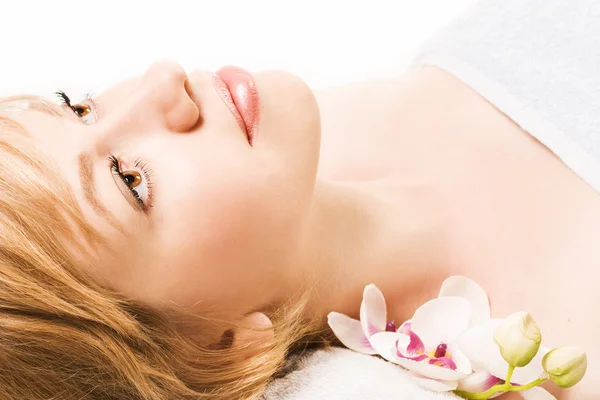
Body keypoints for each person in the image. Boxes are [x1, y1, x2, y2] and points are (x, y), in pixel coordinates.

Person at [1, 0, 598, 398]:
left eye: (78, 106)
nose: (162, 80)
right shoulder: (561, 357)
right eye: (132, 181)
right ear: (223, 348)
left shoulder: (322, 126)